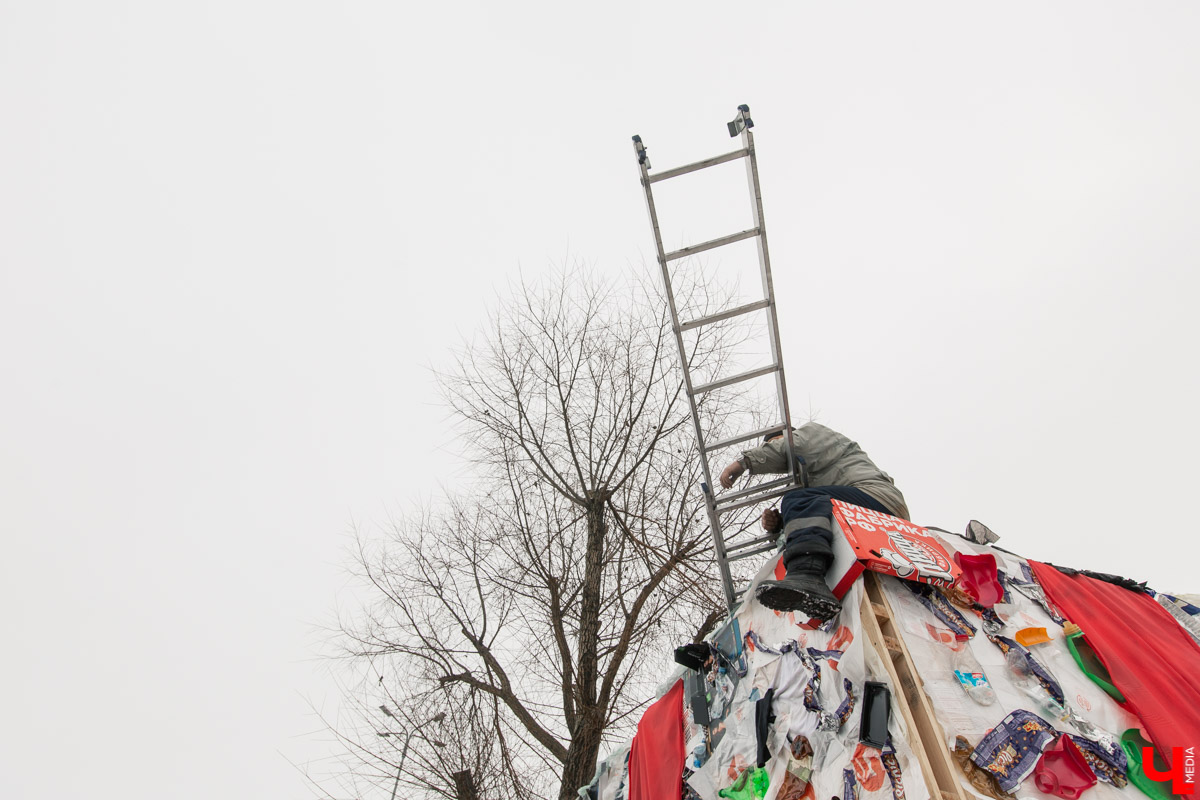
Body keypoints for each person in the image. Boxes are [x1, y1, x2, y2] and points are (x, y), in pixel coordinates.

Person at [718, 422, 909, 620]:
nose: (774, 450)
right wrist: (780, 524)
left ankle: (807, 574)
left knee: (797, 499)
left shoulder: (812, 434)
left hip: (876, 496)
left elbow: (791, 447)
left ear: (788, 435)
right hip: (865, 506)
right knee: (800, 501)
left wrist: (744, 462)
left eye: (774, 444)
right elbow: (818, 513)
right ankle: (811, 581)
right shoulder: (813, 472)